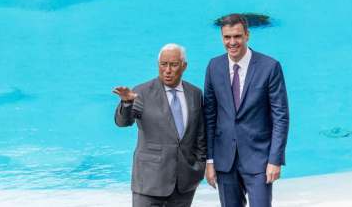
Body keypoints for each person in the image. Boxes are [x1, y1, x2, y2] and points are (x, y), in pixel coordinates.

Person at [204, 13, 289, 207]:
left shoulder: (270, 66)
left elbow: (281, 117)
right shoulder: (213, 66)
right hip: (225, 160)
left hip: (259, 159)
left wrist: (275, 160)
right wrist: (210, 161)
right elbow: (209, 116)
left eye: (237, 36)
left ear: (247, 35)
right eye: (227, 37)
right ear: (222, 37)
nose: (232, 42)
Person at [112, 43, 206, 207]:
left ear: (184, 66)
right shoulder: (141, 92)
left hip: (184, 183)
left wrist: (199, 167)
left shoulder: (195, 93)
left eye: (173, 65)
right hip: (149, 181)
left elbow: (200, 135)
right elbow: (123, 122)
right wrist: (127, 102)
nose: (167, 70)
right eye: (163, 64)